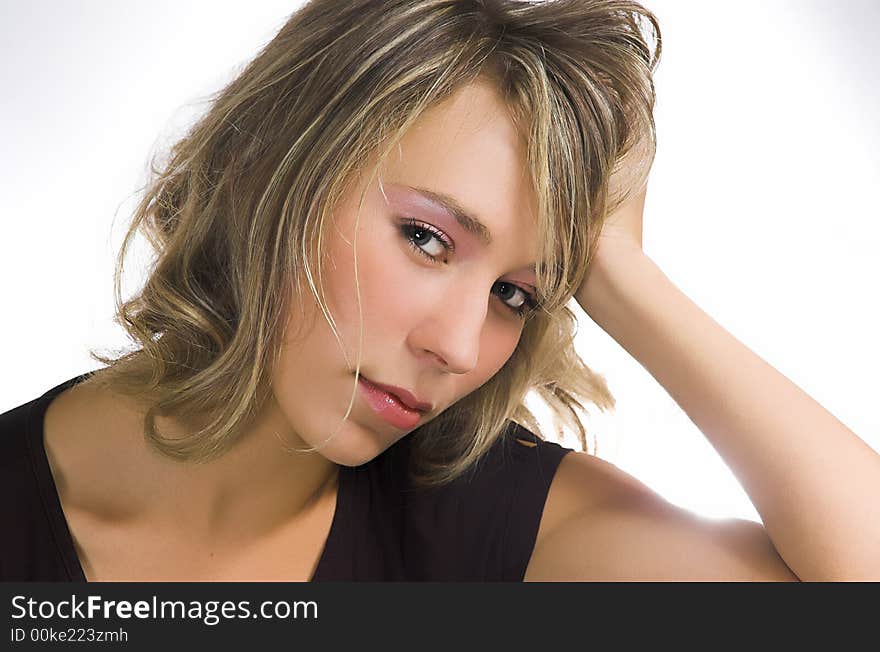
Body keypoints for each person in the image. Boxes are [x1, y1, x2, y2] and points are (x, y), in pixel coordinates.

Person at [2, 0, 878, 582]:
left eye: (516, 295)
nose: (458, 349)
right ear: (260, 162)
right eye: (426, 238)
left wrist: (622, 279)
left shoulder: (499, 525)